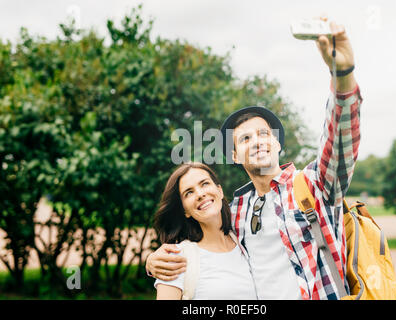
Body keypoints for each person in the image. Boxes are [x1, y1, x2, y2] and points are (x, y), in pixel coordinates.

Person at [147, 17, 362, 300]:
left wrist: (343, 75)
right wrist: (153, 263)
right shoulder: (236, 212)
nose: (257, 141)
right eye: (245, 139)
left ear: (276, 144)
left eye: (263, 134)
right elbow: (205, 244)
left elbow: (340, 140)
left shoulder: (314, 185)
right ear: (235, 155)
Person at [152, 162, 257, 300]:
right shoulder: (175, 259)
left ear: (220, 191)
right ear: (185, 211)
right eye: (189, 192)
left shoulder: (245, 239)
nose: (200, 194)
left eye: (205, 184)